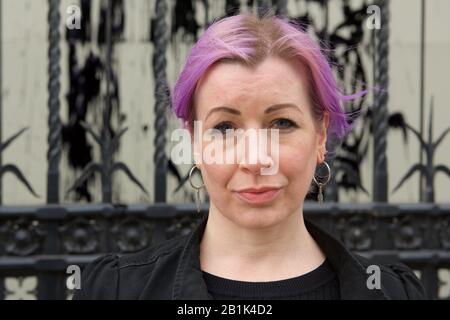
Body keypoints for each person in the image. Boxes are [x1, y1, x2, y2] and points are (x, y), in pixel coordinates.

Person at [73, 12, 426, 300]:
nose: (256, 159)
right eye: (225, 128)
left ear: (320, 136)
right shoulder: (115, 290)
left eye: (282, 123)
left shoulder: (394, 293)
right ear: (194, 139)